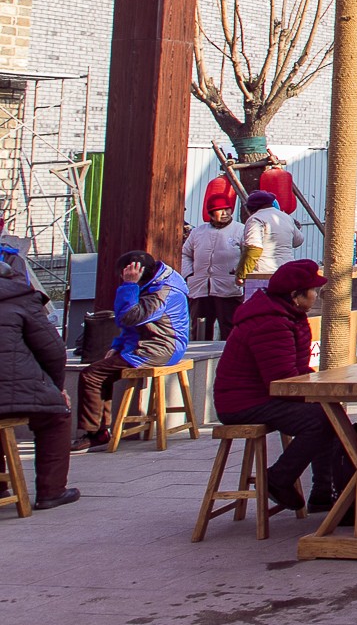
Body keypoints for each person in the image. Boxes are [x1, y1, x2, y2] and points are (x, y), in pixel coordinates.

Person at [214, 260, 351, 512]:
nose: (316, 295)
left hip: (262, 394)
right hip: (242, 402)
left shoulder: (288, 316)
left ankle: (323, 491)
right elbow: (281, 381)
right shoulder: (271, 322)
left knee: (329, 411)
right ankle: (278, 478)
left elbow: (295, 372)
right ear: (294, 296)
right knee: (321, 419)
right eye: (312, 290)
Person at [73, 249, 191, 451]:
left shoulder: (163, 292)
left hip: (160, 348)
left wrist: (129, 285)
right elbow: (134, 328)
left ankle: (95, 433)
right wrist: (117, 346)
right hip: (147, 343)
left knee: (91, 375)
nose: (121, 277)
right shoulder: (152, 284)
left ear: (136, 271)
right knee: (99, 372)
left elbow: (128, 317)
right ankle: (98, 431)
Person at [0, 242, 78, 508]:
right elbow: (53, 351)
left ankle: (1, 486)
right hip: (19, 387)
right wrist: (57, 388)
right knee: (56, 416)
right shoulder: (21, 299)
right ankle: (51, 491)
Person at [182, 177, 246, 339]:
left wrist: (241, 275)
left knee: (229, 326)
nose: (225, 213)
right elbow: (185, 254)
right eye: (219, 210)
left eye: (227, 209)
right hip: (200, 287)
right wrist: (189, 275)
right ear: (211, 213)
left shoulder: (241, 230)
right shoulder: (198, 232)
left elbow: (249, 255)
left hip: (229, 287)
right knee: (200, 327)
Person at [240, 187, 302, 273]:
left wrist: (241, 273)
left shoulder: (256, 219)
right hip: (287, 269)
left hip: (264, 272)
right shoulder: (286, 217)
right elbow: (298, 241)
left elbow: (253, 248)